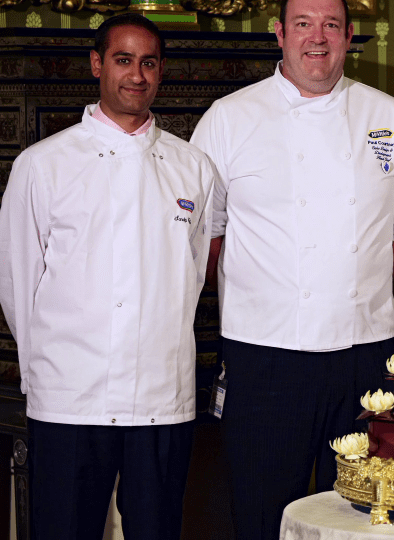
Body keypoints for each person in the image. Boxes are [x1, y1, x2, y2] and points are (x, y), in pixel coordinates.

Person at [189, 0, 394, 537]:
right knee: (263, 515)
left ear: (348, 35)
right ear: (279, 34)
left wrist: (352, 293)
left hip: (365, 356)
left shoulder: (388, 117)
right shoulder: (229, 118)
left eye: (330, 25)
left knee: (365, 517)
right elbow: (205, 235)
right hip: (264, 356)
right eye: (302, 24)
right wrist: (267, 294)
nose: (317, 38)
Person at [0, 13, 217, 539]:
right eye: (123, 60)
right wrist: (48, 373)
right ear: (98, 64)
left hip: (162, 400)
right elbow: (17, 282)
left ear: (161, 71)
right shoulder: (42, 164)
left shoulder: (193, 167)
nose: (136, 75)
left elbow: (192, 278)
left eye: (148, 63)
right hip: (69, 398)